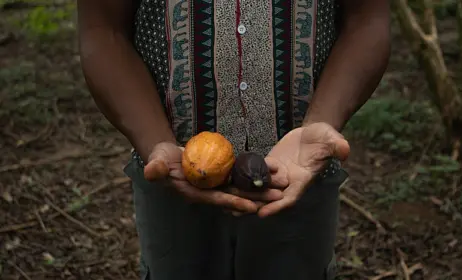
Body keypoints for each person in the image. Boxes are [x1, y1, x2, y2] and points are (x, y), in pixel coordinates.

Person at [77, 0, 390, 279]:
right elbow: (104, 29)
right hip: (170, 181)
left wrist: (323, 121)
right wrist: (155, 141)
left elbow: (367, 19)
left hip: (303, 179)